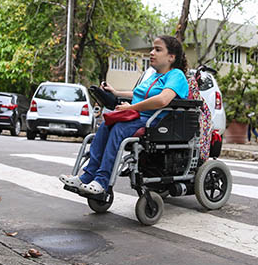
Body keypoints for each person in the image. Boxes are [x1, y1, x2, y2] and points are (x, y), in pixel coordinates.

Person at [58, 35, 189, 195]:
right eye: (152, 48)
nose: (151, 52)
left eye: (157, 49)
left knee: (118, 128)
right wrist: (116, 92)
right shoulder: (153, 76)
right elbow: (139, 93)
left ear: (171, 57)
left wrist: (132, 107)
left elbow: (162, 100)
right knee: (106, 124)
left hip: (156, 122)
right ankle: (87, 176)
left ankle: (102, 181)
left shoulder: (176, 76)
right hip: (139, 117)